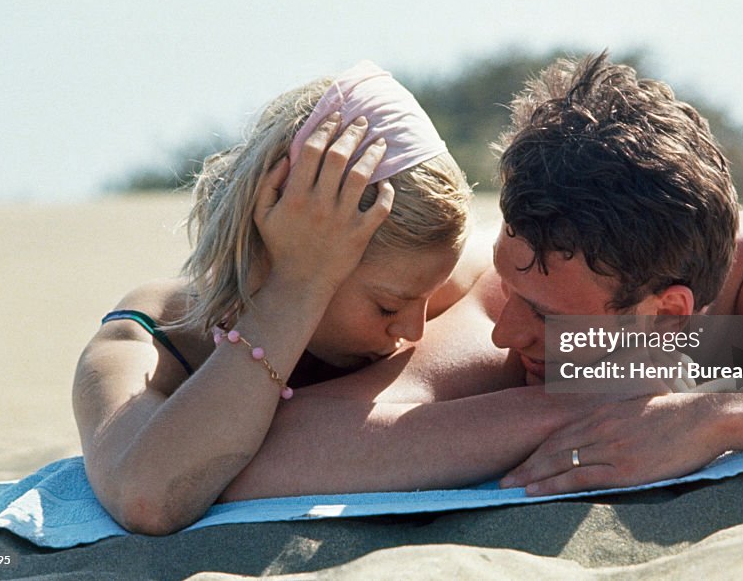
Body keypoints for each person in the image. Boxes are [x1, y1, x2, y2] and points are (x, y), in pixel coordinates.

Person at [212, 53, 743, 503]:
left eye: (542, 314)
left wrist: (717, 414)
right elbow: (268, 453)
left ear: (667, 315)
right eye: (509, 284)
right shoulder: (505, 309)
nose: (506, 331)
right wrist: (568, 409)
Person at [72, 61, 478, 535]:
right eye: (388, 307)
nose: (415, 330)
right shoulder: (152, 338)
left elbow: (582, 345)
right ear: (274, 251)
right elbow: (148, 499)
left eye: (425, 298)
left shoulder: (429, 280)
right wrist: (294, 286)